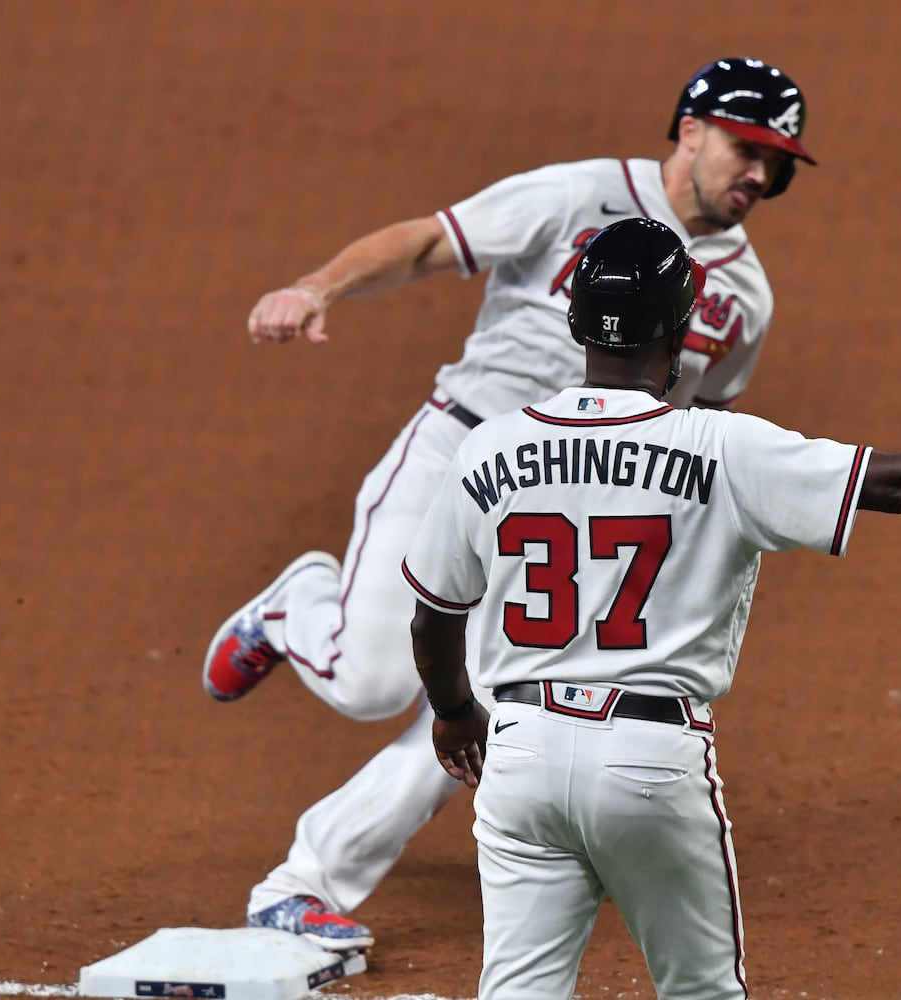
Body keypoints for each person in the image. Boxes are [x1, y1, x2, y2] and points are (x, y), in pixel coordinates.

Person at [403, 217, 901, 999]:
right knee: (702, 991)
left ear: (575, 321)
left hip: (521, 753)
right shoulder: (720, 448)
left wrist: (452, 712)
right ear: (682, 329)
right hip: (648, 758)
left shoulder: (491, 449)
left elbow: (433, 616)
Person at [202, 57, 818, 949]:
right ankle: (297, 604)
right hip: (456, 454)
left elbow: (690, 432)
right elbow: (424, 243)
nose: (760, 176)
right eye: (746, 149)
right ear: (690, 130)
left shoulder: (744, 299)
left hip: (559, 514)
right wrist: (316, 287)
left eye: (779, 162)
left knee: (494, 704)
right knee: (373, 683)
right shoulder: (579, 195)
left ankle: (305, 881)